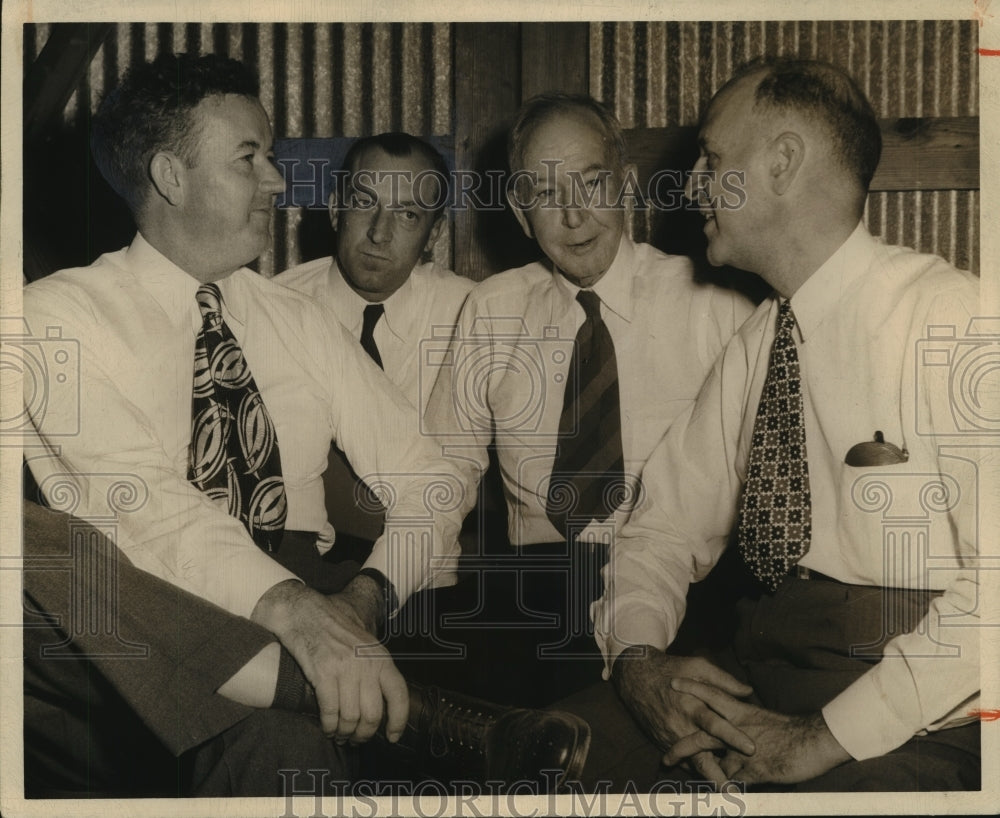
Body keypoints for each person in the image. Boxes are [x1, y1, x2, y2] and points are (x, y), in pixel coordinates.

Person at [21, 51, 586, 795]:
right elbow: (146, 507)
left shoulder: (297, 319)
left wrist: (365, 599)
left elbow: (433, 482)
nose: (279, 183)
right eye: (249, 159)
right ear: (169, 176)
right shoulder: (54, 317)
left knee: (276, 740)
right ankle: (413, 717)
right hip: (146, 604)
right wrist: (292, 616)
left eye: (274, 158)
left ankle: (317, 689)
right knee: (42, 553)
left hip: (313, 579)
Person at [569, 56, 981, 792]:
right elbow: (659, 530)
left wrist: (823, 738)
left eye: (712, 157)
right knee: (553, 758)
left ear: (785, 162)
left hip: (923, 711)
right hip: (757, 678)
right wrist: (639, 663)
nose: (691, 182)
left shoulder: (951, 319)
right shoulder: (757, 343)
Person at [419, 93, 754, 705]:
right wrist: (416, 592)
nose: (574, 215)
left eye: (591, 183)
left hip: (688, 586)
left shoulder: (716, 307)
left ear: (625, 186)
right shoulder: (492, 309)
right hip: (538, 589)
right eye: (546, 195)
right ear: (521, 215)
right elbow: (444, 473)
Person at [275, 132, 473, 545]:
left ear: (434, 235)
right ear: (335, 210)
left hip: (428, 575)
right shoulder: (275, 308)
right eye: (365, 203)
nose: (379, 234)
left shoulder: (468, 314)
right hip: (298, 568)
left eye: (408, 215)